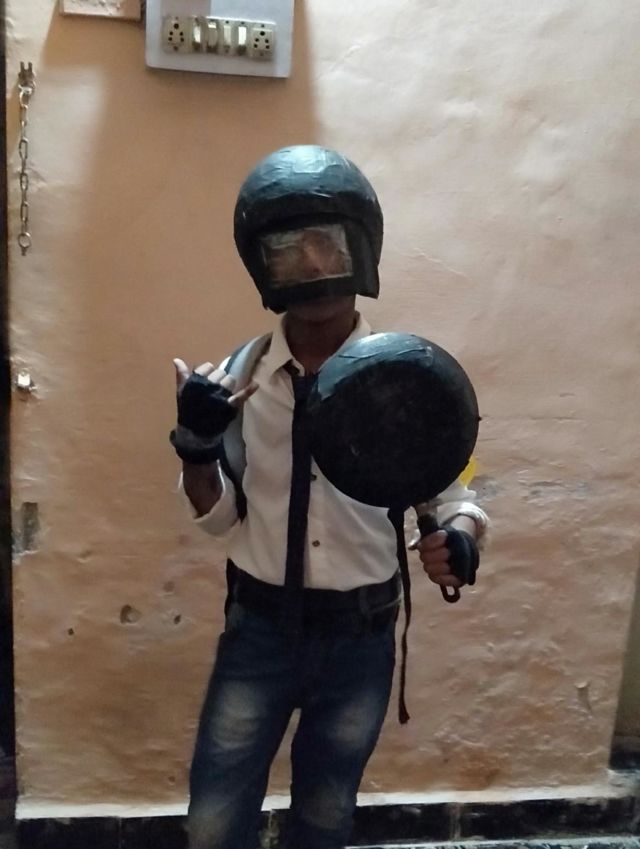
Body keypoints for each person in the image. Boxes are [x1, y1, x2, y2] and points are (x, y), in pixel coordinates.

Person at [171, 145, 489, 849]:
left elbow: (456, 497)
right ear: (264, 262)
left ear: (359, 247)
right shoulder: (238, 379)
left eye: (327, 244)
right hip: (258, 631)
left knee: (325, 816)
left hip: (360, 637)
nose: (313, 267)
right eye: (291, 249)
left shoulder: (406, 377)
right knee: (214, 818)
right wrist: (194, 444)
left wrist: (461, 541)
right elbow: (217, 517)